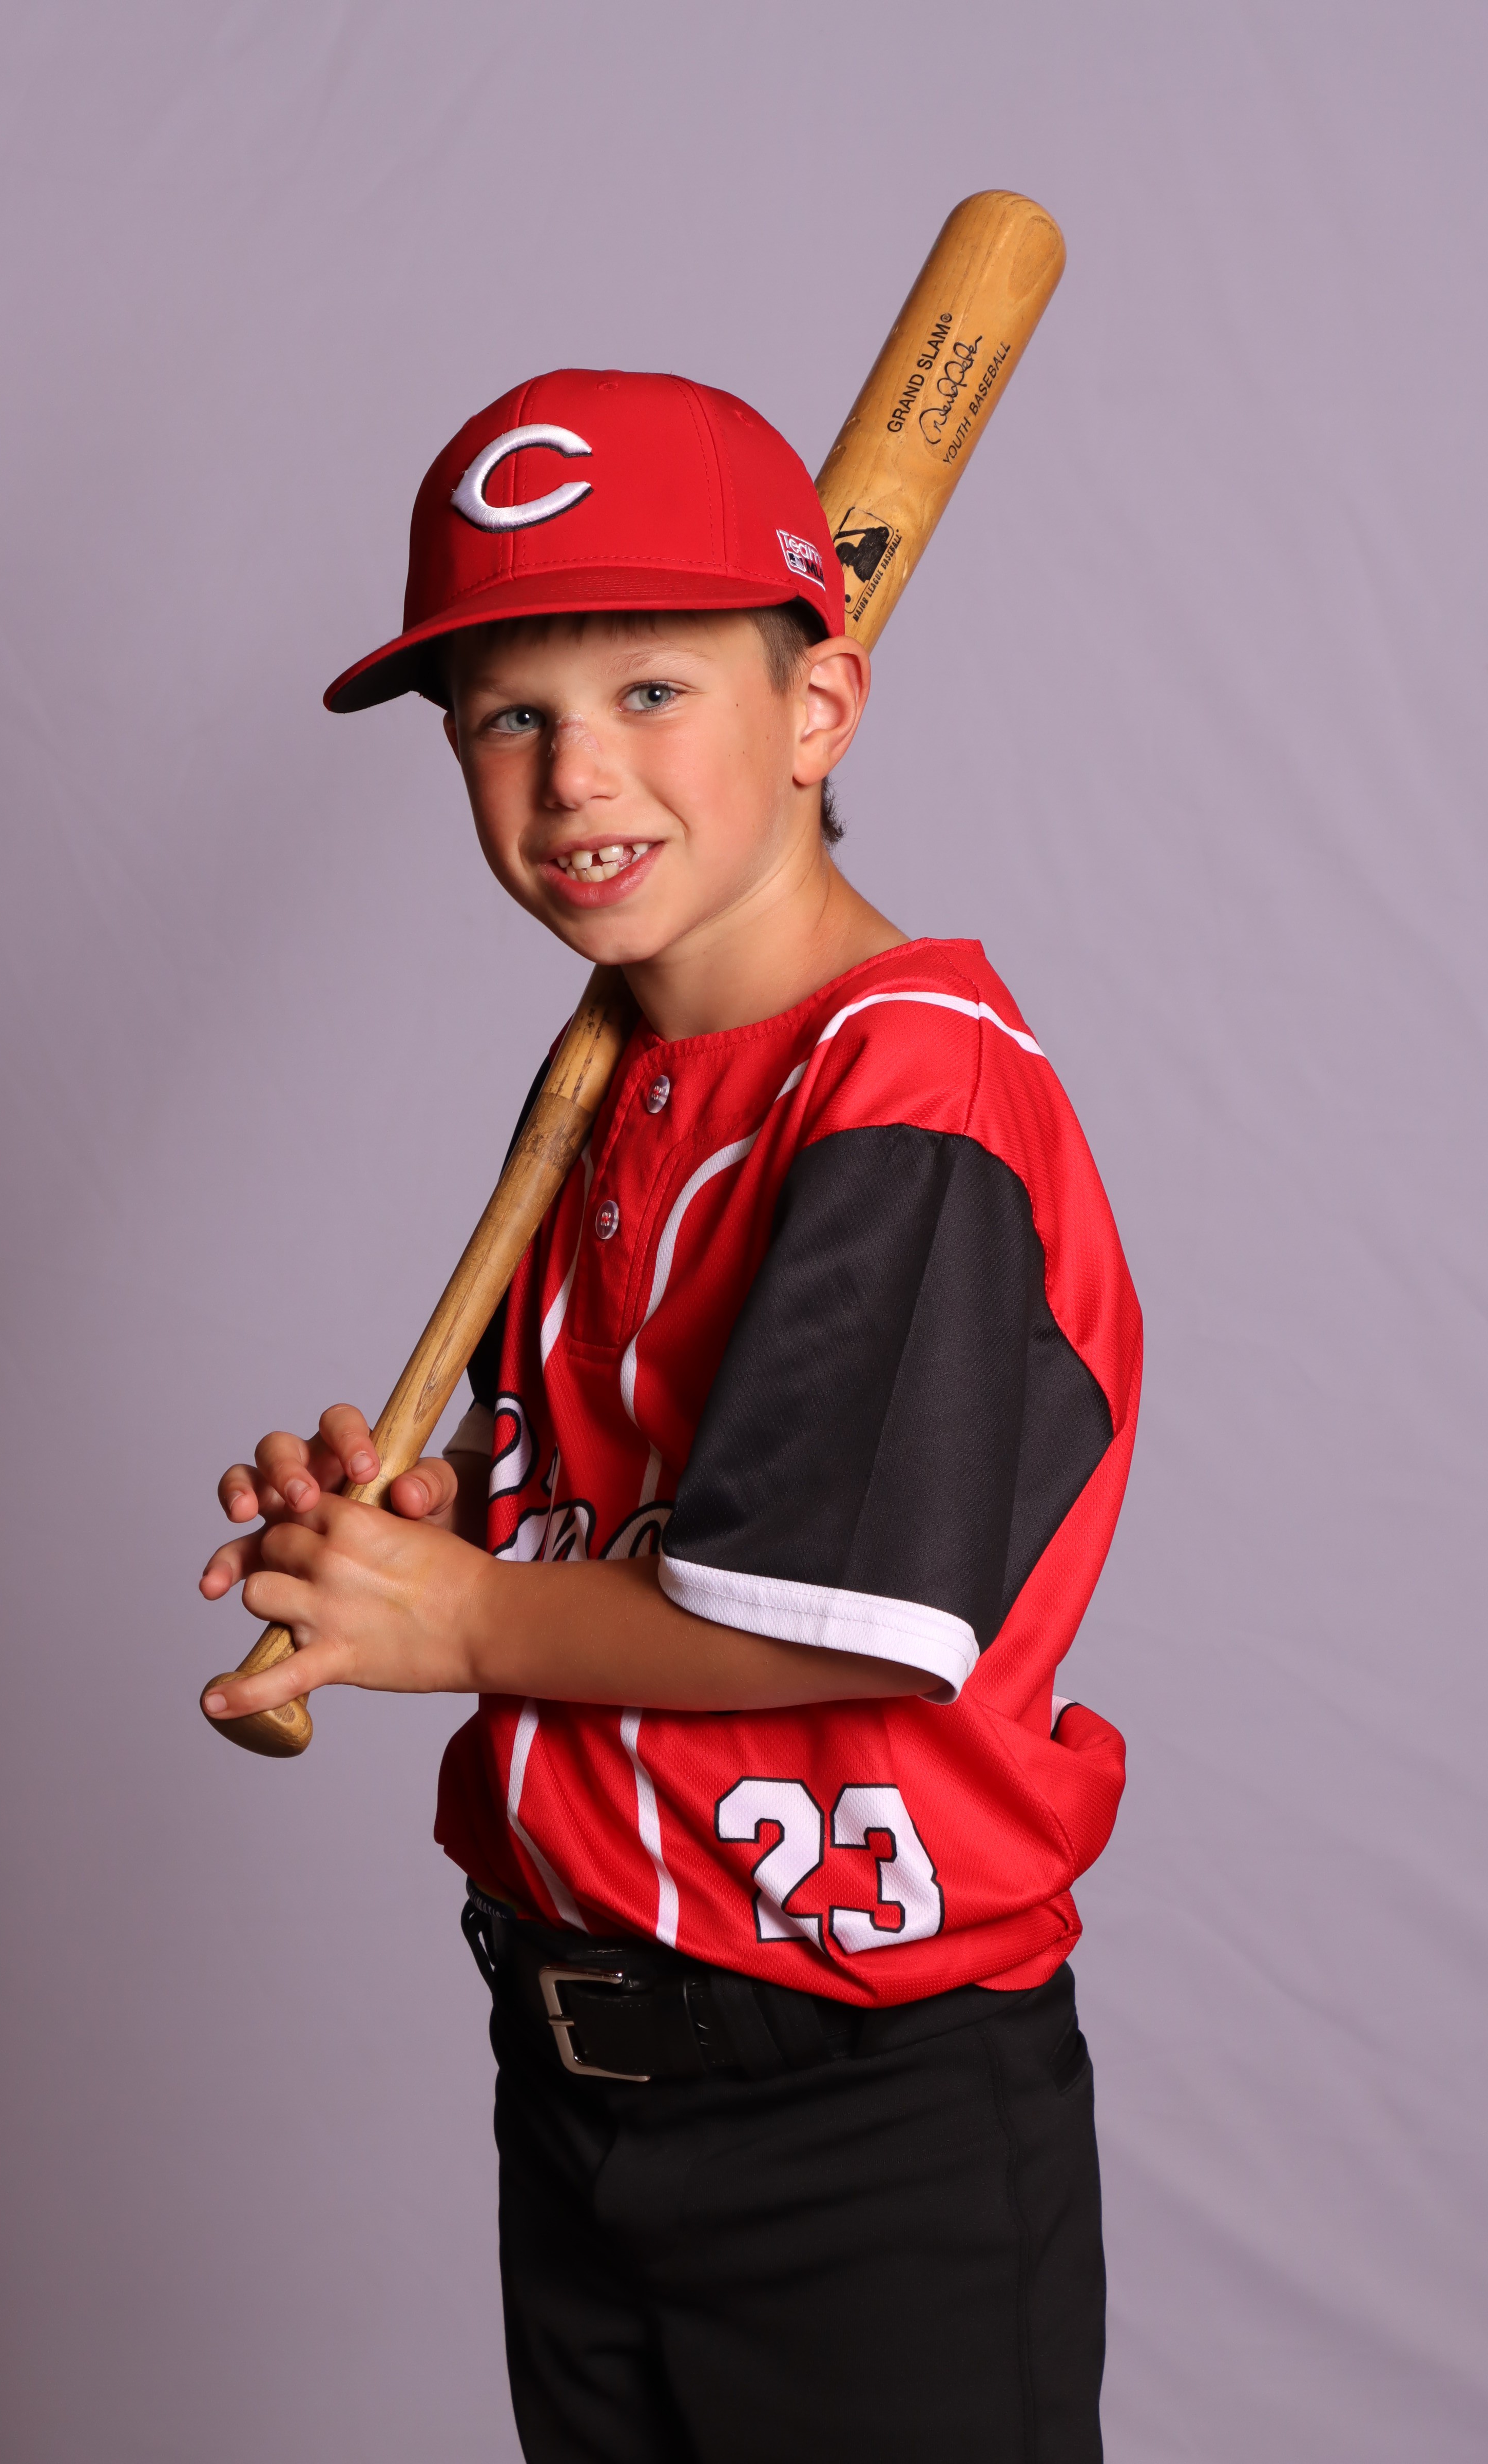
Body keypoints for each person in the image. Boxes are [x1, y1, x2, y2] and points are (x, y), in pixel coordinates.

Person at [200, 369, 1142, 2463]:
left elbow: (825, 1611)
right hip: (581, 2072)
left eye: (650, 691)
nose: (573, 778)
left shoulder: (910, 1094)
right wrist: (426, 1532)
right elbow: (639, 1512)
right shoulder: (623, 1087)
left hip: (862, 2109)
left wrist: (456, 1625)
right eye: (506, 718)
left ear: (819, 709)